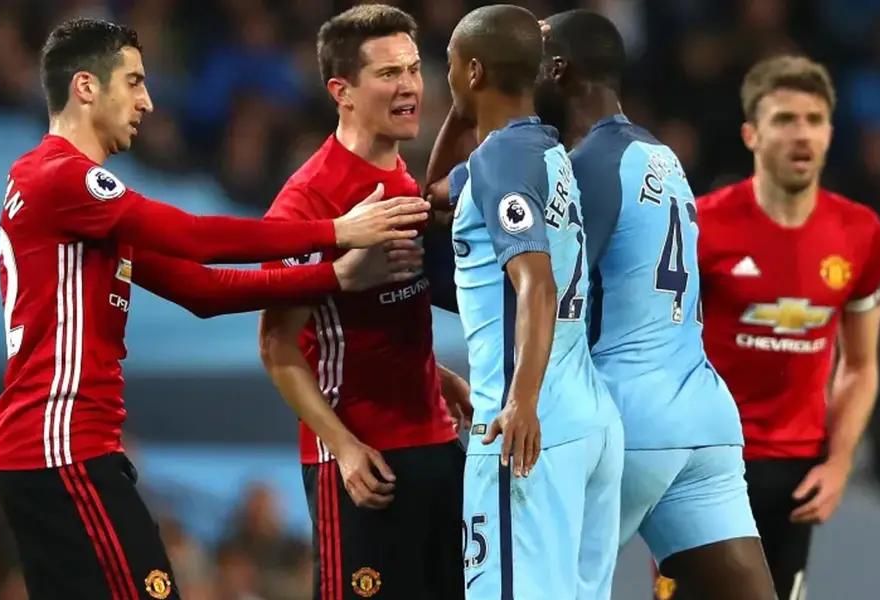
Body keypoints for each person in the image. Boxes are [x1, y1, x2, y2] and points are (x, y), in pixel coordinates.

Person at [0, 18, 427, 600]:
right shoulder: (62, 178)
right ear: (86, 87)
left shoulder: (75, 202)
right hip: (63, 446)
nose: (147, 102)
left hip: (50, 449)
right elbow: (195, 237)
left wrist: (332, 278)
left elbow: (202, 291)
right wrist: (335, 231)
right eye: (134, 82)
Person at [532, 10, 776, 600]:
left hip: (629, 414)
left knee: (538, 584)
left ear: (558, 70)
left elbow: (546, 291)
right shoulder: (659, 155)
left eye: (530, 60)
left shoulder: (587, 165)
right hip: (703, 415)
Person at [257, 6, 469, 599]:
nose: (409, 86)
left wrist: (437, 374)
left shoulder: (406, 181)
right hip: (365, 465)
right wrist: (344, 447)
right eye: (388, 73)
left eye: (413, 69)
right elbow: (277, 348)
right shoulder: (305, 203)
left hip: (436, 448)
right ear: (341, 92)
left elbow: (368, 322)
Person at [430, 5, 623, 598]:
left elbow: (536, 283)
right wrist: (466, 107)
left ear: (473, 71)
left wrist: (521, 402)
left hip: (526, 425)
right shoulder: (542, 151)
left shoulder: (501, 162)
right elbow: (433, 196)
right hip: (589, 418)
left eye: (451, 65)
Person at [696, 55, 880, 600]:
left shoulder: (860, 234)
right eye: (784, 119)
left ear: (830, 133)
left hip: (795, 472)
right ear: (751, 135)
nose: (801, 133)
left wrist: (840, 460)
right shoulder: (702, 225)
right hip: (708, 463)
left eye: (814, 119)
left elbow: (861, 364)